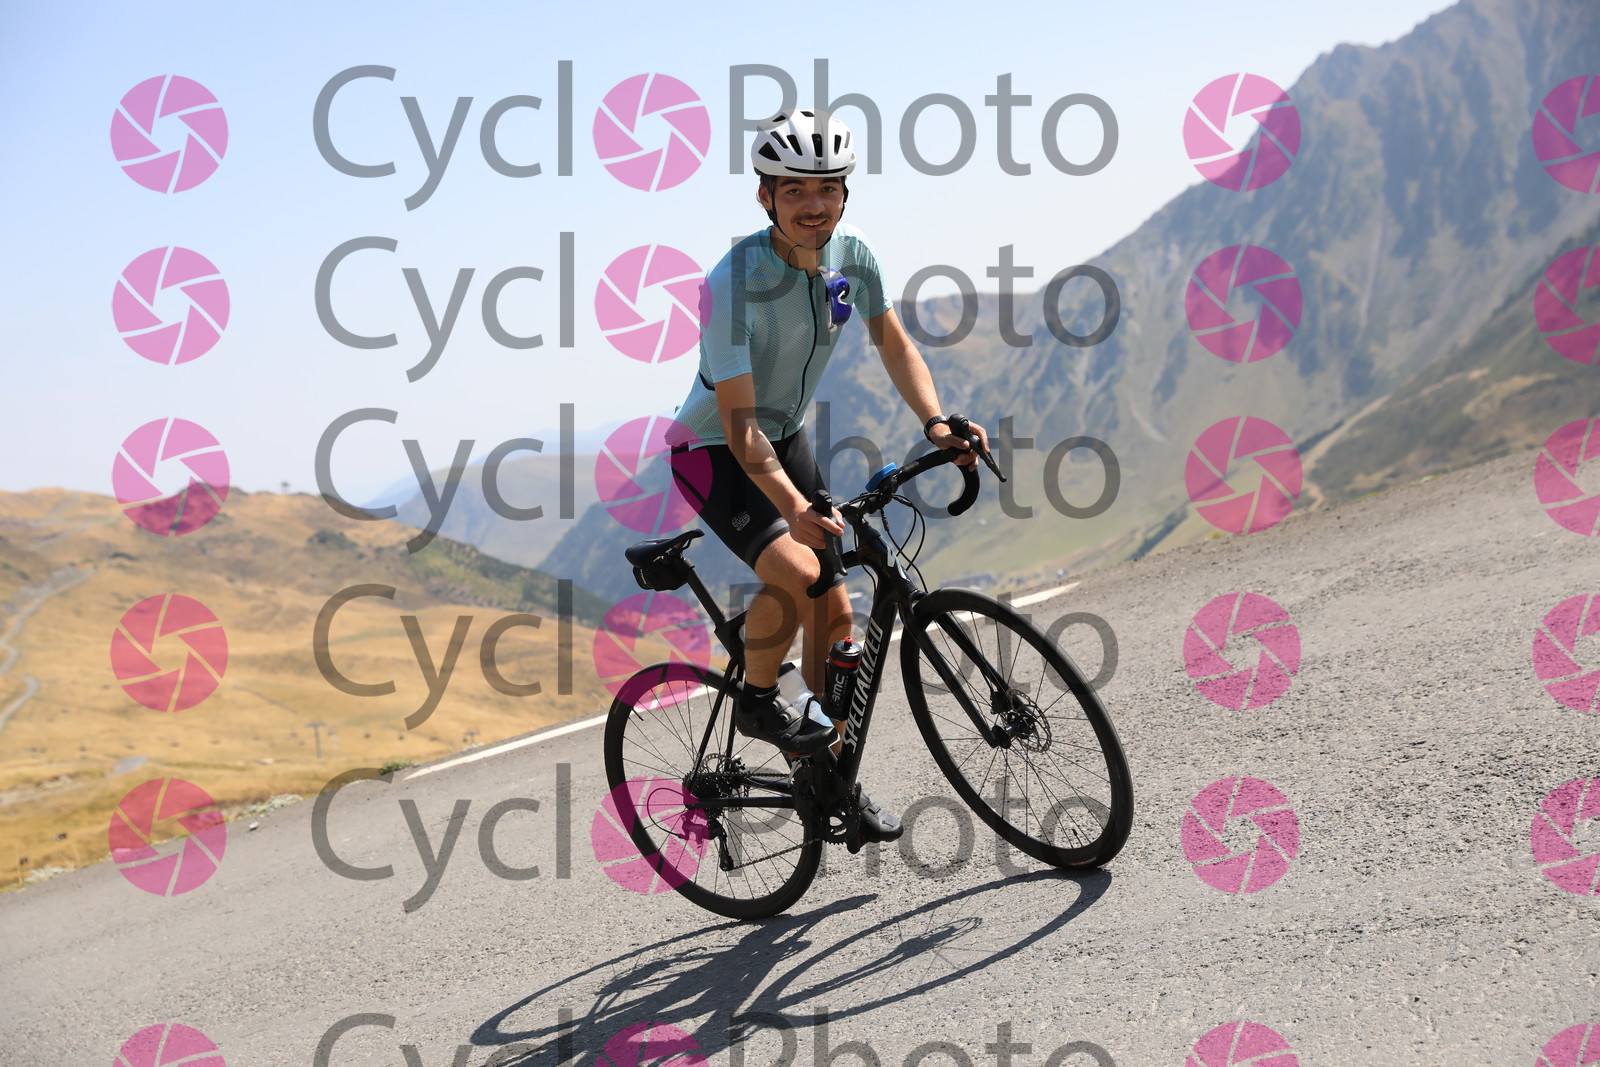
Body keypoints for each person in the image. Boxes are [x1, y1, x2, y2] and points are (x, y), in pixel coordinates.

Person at [669, 108, 989, 843]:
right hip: (714, 448)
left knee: (838, 615)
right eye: (794, 190)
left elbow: (894, 343)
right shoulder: (732, 284)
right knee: (797, 569)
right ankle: (757, 699)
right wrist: (792, 506)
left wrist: (936, 423)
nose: (813, 205)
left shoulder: (854, 256)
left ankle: (830, 780)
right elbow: (739, 426)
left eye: (828, 188)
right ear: (765, 197)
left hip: (786, 437)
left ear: (845, 192)